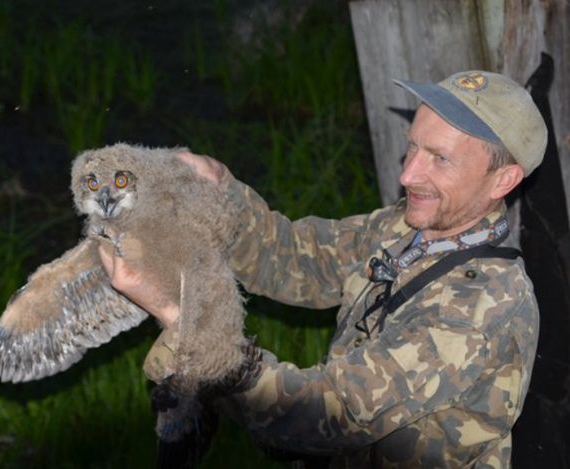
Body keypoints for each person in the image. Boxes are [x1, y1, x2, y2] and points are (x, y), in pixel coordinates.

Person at [99, 70, 547, 468]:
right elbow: (297, 259)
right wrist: (219, 193)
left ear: (503, 181)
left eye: (439, 158)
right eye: (412, 148)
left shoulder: (484, 307)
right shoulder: (404, 226)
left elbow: (326, 414)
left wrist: (185, 324)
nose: (408, 175)